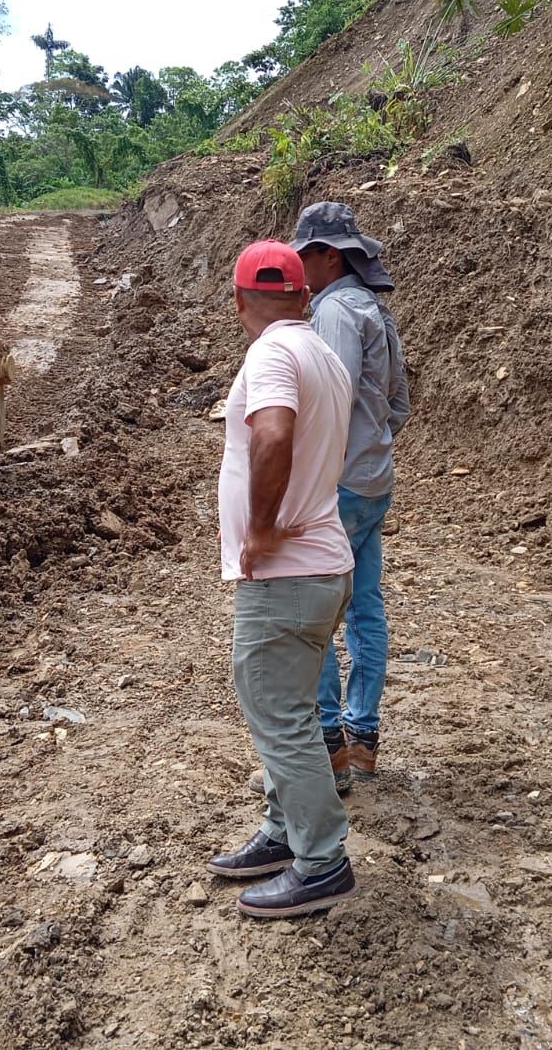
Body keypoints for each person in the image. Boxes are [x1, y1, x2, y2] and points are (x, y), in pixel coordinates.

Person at [206, 240, 360, 918]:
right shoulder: (321, 353)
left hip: (288, 574)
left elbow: (272, 434)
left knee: (279, 714)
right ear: (303, 295)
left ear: (238, 301)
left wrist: (262, 528)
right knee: (287, 708)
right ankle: (282, 831)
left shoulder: (271, 352)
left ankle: (321, 862)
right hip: (322, 565)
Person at [290, 201, 411, 789]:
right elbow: (399, 404)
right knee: (364, 608)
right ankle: (363, 739)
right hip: (372, 480)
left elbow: (327, 403)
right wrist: (371, 449)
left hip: (337, 484)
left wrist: (310, 474)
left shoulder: (335, 311)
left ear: (330, 257)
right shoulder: (373, 309)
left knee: (311, 613)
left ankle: (328, 747)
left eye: (305, 256)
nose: (298, 268)